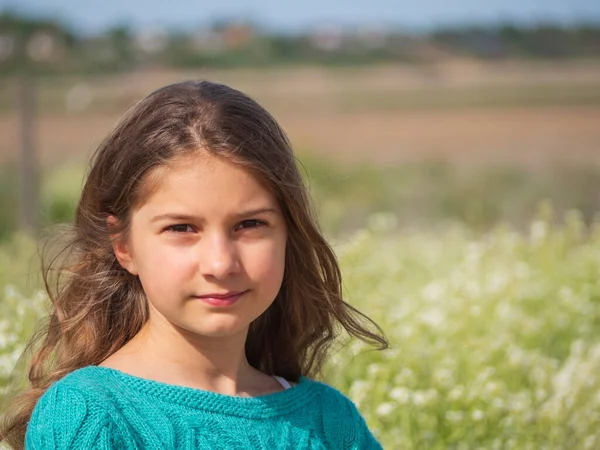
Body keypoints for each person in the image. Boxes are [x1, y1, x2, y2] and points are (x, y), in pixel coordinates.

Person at [0, 81, 388, 449]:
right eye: (181, 228)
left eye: (249, 224)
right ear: (124, 246)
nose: (220, 263)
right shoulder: (91, 415)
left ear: (289, 232)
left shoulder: (330, 422)